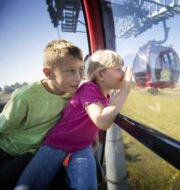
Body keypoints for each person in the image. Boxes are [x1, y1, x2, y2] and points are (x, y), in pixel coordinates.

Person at [15, 50, 132, 190]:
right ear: (100, 74)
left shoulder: (107, 98)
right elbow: (101, 120)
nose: (123, 73)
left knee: (87, 186)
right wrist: (124, 90)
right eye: (118, 69)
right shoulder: (88, 88)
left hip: (82, 147)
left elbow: (90, 119)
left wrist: (92, 136)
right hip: (56, 143)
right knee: (28, 186)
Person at [0, 39, 83, 190]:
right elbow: (3, 126)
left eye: (81, 70)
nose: (78, 77)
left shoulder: (73, 95)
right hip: (7, 150)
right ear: (48, 73)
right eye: (71, 71)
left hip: (34, 153)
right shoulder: (25, 96)